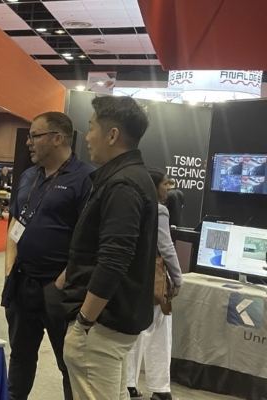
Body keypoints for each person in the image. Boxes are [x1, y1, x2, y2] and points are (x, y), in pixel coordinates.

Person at [56, 96, 158, 399]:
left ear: (112, 135)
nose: (87, 137)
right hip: (111, 323)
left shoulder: (122, 184)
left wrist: (84, 322)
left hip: (101, 325)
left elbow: (114, 260)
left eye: (91, 128)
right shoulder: (131, 177)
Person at [1, 112, 94, 400]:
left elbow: (88, 239)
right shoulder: (29, 176)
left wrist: (62, 282)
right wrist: (9, 268)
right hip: (22, 282)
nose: (28, 142)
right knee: (20, 356)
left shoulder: (85, 178)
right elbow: (15, 222)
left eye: (35, 136)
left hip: (59, 288)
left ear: (58, 138)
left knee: (69, 364)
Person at [126, 168, 183, 400]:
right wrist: (178, 278)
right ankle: (160, 388)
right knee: (159, 330)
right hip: (153, 278)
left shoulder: (131, 204)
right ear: (154, 185)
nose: (168, 188)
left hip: (130, 276)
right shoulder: (159, 210)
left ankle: (128, 384)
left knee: (133, 331)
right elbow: (166, 247)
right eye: (165, 184)